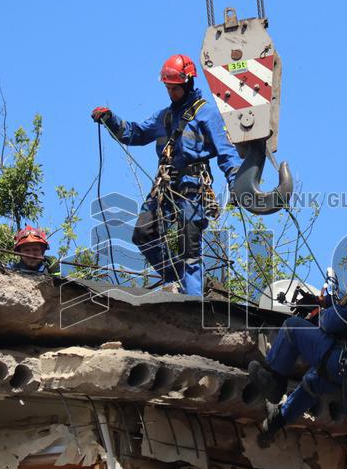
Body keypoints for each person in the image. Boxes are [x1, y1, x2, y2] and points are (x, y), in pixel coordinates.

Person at [91, 54, 242, 295]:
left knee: (189, 245)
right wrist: (111, 120)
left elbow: (227, 152)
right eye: (168, 88)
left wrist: (237, 184)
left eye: (175, 89)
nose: (171, 93)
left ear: (188, 83)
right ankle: (177, 280)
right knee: (143, 233)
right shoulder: (164, 117)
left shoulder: (207, 113)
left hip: (192, 187)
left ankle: (193, 302)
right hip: (165, 186)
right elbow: (135, 133)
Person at [250, 232, 347, 447]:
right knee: (313, 381)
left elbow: (330, 324)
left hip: (341, 363)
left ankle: (275, 383)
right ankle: (275, 424)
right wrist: (330, 303)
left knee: (292, 327)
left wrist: (322, 312)